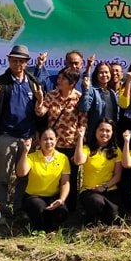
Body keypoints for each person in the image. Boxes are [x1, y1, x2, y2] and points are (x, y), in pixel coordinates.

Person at [0, 44, 46, 217]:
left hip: (27, 137)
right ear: (9, 61)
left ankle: (19, 209)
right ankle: (2, 210)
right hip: (6, 135)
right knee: (2, 177)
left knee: (23, 176)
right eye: (14, 61)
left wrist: (37, 131)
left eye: (21, 61)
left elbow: (40, 112)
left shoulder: (34, 83)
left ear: (27, 62)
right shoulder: (0, 82)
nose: (17, 64)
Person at [43, 67, 87, 209]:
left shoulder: (78, 98)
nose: (59, 80)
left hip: (71, 145)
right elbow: (40, 112)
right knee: (53, 176)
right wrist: (39, 100)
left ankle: (70, 207)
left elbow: (83, 122)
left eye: (63, 79)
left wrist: (81, 143)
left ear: (72, 82)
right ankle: (53, 205)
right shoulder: (51, 95)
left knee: (71, 177)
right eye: (59, 78)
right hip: (53, 145)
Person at [16, 127, 70, 232]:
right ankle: (39, 228)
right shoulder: (32, 157)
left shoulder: (63, 158)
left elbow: (65, 182)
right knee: (38, 208)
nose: (48, 142)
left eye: (51, 139)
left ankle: (48, 226)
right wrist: (25, 152)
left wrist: (61, 199)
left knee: (62, 213)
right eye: (45, 139)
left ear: (56, 140)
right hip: (33, 196)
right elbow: (21, 173)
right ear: (39, 141)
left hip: (52, 196)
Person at [73, 119, 122, 224]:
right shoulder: (87, 148)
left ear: (112, 133)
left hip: (109, 189)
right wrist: (80, 138)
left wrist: (104, 187)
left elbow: (117, 176)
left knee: (114, 218)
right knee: (97, 201)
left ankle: (102, 217)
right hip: (89, 190)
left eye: (108, 131)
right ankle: (91, 221)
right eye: (101, 130)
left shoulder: (116, 151)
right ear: (95, 131)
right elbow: (78, 161)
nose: (104, 133)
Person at [78, 60, 120, 142]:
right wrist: (86, 89)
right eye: (101, 72)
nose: (104, 75)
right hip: (95, 136)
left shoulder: (112, 93)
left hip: (110, 135)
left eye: (106, 72)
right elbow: (84, 108)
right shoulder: (92, 90)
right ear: (96, 75)